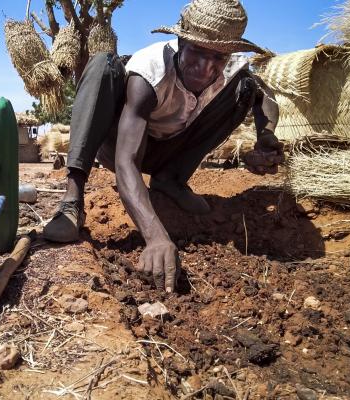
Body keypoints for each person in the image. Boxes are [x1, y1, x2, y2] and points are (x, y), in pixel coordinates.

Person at [43, 0, 284, 292]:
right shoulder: (149, 71)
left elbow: (264, 97)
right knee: (102, 64)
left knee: (246, 88)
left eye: (218, 57)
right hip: (120, 144)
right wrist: (156, 236)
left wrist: (266, 135)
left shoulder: (231, 70)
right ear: (181, 41)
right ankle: (72, 199)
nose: (206, 68)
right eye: (197, 52)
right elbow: (126, 162)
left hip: (168, 150)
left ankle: (171, 180)